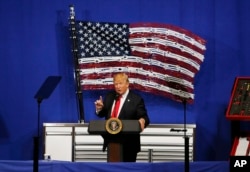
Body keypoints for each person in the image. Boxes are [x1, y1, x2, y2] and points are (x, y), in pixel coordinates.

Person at [94, 72, 150, 162]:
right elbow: (103, 114)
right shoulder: (109, 96)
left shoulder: (136, 99)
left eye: (120, 83)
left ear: (127, 84)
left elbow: (144, 117)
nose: (117, 86)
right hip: (111, 142)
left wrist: (142, 120)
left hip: (129, 144)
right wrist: (99, 109)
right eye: (116, 84)